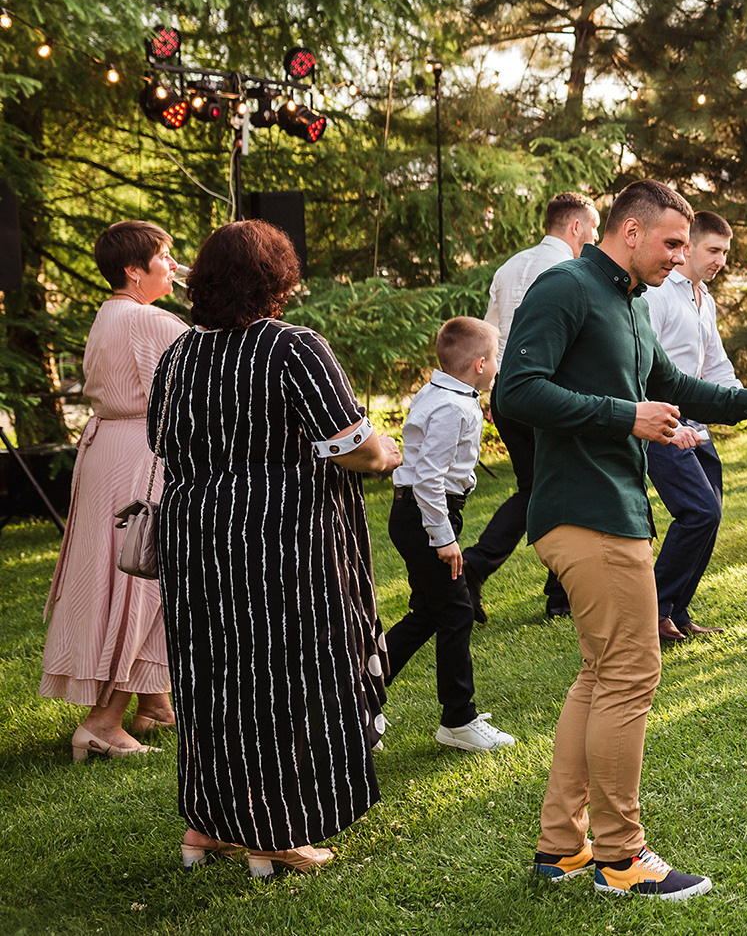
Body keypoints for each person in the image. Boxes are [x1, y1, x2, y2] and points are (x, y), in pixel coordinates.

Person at [495, 179, 747, 901]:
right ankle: (621, 854)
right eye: (671, 242)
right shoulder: (566, 286)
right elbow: (515, 389)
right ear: (629, 232)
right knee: (632, 675)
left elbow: (678, 383)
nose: (680, 255)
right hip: (586, 511)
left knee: (602, 674)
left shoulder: (630, 302)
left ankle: (561, 847)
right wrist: (623, 414)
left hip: (614, 510)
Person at [152, 220, 404, 878]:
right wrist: (386, 455)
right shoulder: (291, 346)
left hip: (193, 535)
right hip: (279, 539)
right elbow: (350, 442)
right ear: (277, 279)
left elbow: (161, 438)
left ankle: (208, 822)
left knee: (212, 674)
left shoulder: (178, 355)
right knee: (282, 675)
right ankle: (274, 833)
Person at [41, 220, 186, 759]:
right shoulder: (152, 320)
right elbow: (205, 373)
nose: (173, 266)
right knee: (144, 579)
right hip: (142, 456)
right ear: (134, 269)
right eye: (166, 258)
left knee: (121, 571)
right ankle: (103, 722)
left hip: (106, 452)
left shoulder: (109, 315)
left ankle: (155, 704)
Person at [463, 192, 600, 622]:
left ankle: (539, 587)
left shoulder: (509, 267)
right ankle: (549, 591)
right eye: (593, 228)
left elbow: (489, 334)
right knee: (562, 486)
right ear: (575, 226)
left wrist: (489, 392)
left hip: (508, 392)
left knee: (536, 487)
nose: (594, 238)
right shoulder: (570, 272)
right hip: (547, 397)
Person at [382, 317, 516, 751]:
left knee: (429, 613)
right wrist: (443, 538)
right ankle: (458, 720)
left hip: (420, 514)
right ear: (480, 364)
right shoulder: (452, 407)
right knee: (457, 612)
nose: (496, 364)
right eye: (494, 358)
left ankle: (354, 699)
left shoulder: (444, 392)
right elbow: (427, 479)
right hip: (424, 517)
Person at [640, 210, 740, 642]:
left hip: (697, 425)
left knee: (710, 516)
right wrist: (655, 419)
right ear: (689, 246)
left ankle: (677, 613)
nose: (720, 261)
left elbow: (715, 364)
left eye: (725, 253)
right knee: (698, 511)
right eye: (714, 250)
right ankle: (653, 611)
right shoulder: (657, 295)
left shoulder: (705, 299)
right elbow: (640, 367)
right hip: (662, 423)